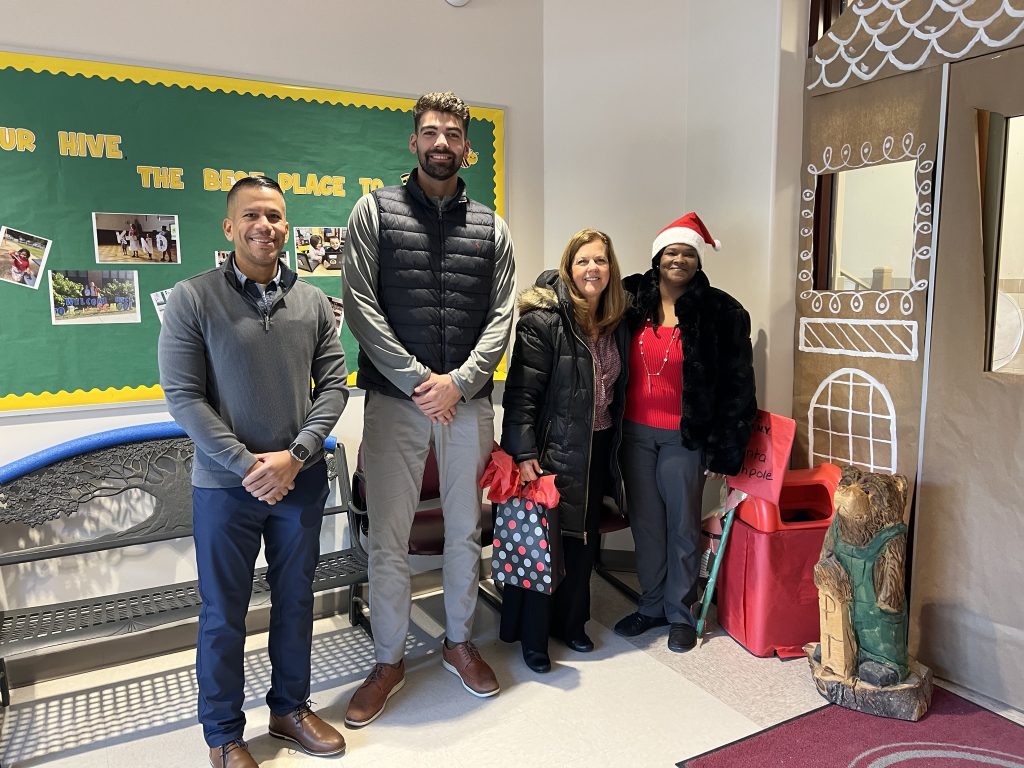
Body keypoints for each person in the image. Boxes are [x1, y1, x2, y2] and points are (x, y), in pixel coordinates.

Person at [158, 176, 349, 768]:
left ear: (286, 225)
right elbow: (183, 396)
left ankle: (290, 709)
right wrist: (247, 466)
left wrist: (295, 457)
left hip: (300, 480)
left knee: (296, 601)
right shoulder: (193, 299)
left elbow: (335, 386)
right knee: (223, 615)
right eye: (252, 216)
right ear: (229, 227)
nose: (265, 226)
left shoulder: (314, 302)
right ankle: (223, 734)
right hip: (224, 489)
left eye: (274, 216)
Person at [342, 90, 515, 727]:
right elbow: (360, 304)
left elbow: (503, 316)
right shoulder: (374, 213)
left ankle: (458, 641)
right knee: (388, 541)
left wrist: (462, 383)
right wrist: (421, 381)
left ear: (467, 147)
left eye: (453, 134)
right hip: (394, 401)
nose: (441, 143)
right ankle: (388, 661)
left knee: (467, 530)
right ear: (412, 142)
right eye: (430, 132)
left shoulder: (493, 228)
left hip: (467, 405)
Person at [613, 211, 756, 653]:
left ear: (698, 260)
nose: (679, 259)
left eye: (687, 253)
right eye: (671, 252)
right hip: (633, 435)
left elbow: (738, 384)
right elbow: (580, 292)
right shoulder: (628, 302)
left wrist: (725, 448)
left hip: (684, 438)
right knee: (647, 525)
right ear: (657, 257)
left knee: (680, 526)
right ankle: (651, 605)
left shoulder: (723, 312)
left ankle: (680, 612)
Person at [499, 229, 629, 672]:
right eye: (583, 261)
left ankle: (572, 623)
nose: (593, 269)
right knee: (543, 542)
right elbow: (521, 393)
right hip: (552, 449)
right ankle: (534, 639)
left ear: (612, 269)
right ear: (568, 268)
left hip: (598, 448)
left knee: (582, 542)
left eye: (601, 260)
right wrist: (522, 450)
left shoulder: (615, 323)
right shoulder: (545, 320)